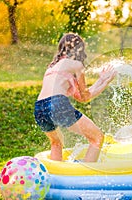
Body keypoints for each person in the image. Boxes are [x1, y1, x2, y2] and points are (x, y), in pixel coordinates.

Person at [34, 33, 117, 162]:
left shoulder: (51, 67)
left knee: (56, 143)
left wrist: (101, 80)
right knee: (97, 137)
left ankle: (57, 178)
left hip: (39, 108)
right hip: (57, 104)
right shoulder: (77, 65)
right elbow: (85, 96)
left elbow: (81, 97)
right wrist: (105, 81)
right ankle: (86, 178)